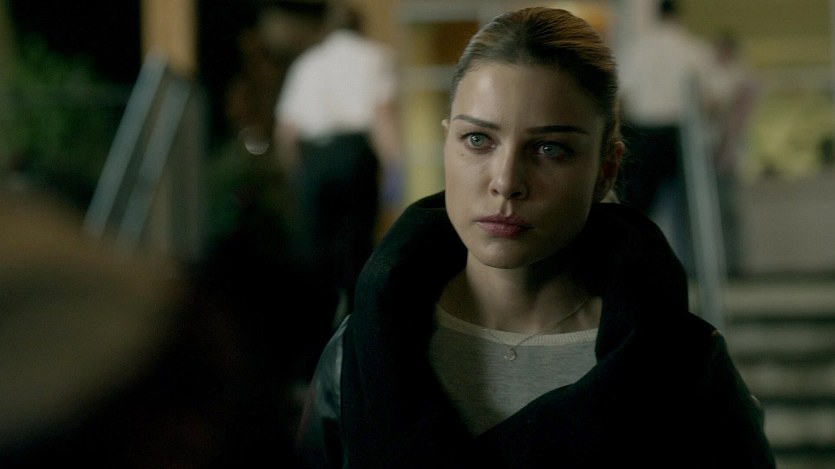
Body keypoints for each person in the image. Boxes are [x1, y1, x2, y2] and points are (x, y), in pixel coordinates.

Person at [295, 6, 775, 468]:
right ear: (447, 143)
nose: (506, 181)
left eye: (549, 148)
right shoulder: (360, 351)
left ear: (606, 170)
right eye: (478, 140)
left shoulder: (684, 369)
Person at [273, 2, 402, 333]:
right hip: (355, 154)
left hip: (315, 158)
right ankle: (357, 327)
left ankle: (314, 334)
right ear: (361, 28)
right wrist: (394, 164)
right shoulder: (376, 56)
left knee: (314, 249)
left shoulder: (308, 63)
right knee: (356, 245)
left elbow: (286, 130)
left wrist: (297, 174)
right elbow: (382, 113)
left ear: (328, 29)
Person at [617, 0, 715, 274]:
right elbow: (708, 100)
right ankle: (693, 267)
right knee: (689, 207)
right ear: (678, 16)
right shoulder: (694, 48)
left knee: (638, 209)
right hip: (681, 133)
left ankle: (634, 267)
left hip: (644, 132)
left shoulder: (638, 47)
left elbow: (622, 97)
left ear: (657, 16)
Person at [703, 31, 760, 276]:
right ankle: (722, 264)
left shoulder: (739, 78)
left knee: (728, 211)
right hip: (715, 153)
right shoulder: (715, 76)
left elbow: (734, 122)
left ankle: (732, 265)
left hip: (725, 155)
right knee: (719, 212)